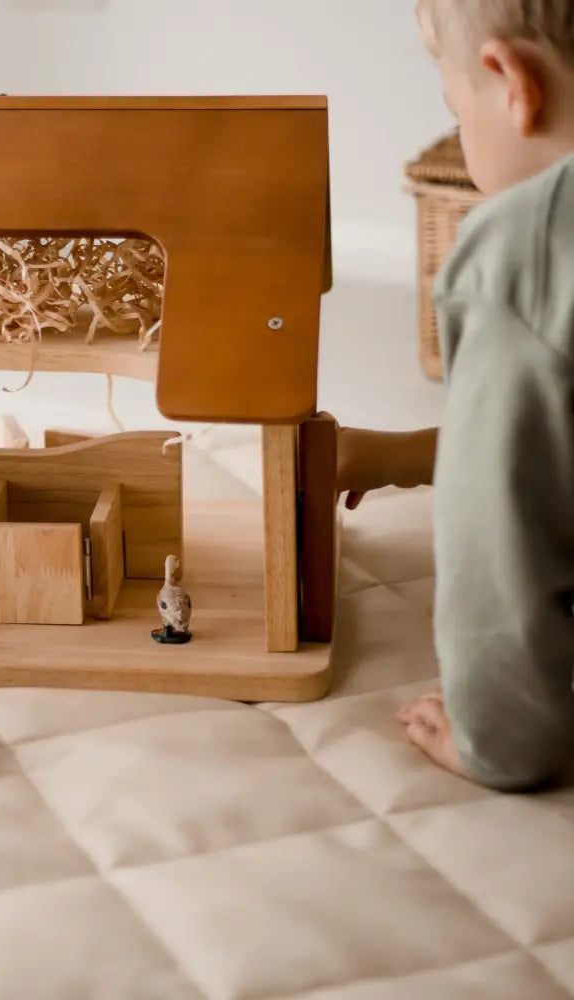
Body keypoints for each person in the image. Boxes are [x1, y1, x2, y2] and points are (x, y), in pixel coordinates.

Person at [337, 0, 574, 790]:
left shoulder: (521, 248)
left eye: (455, 106)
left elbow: (497, 532)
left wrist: (497, 736)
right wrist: (410, 454)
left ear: (513, 83)